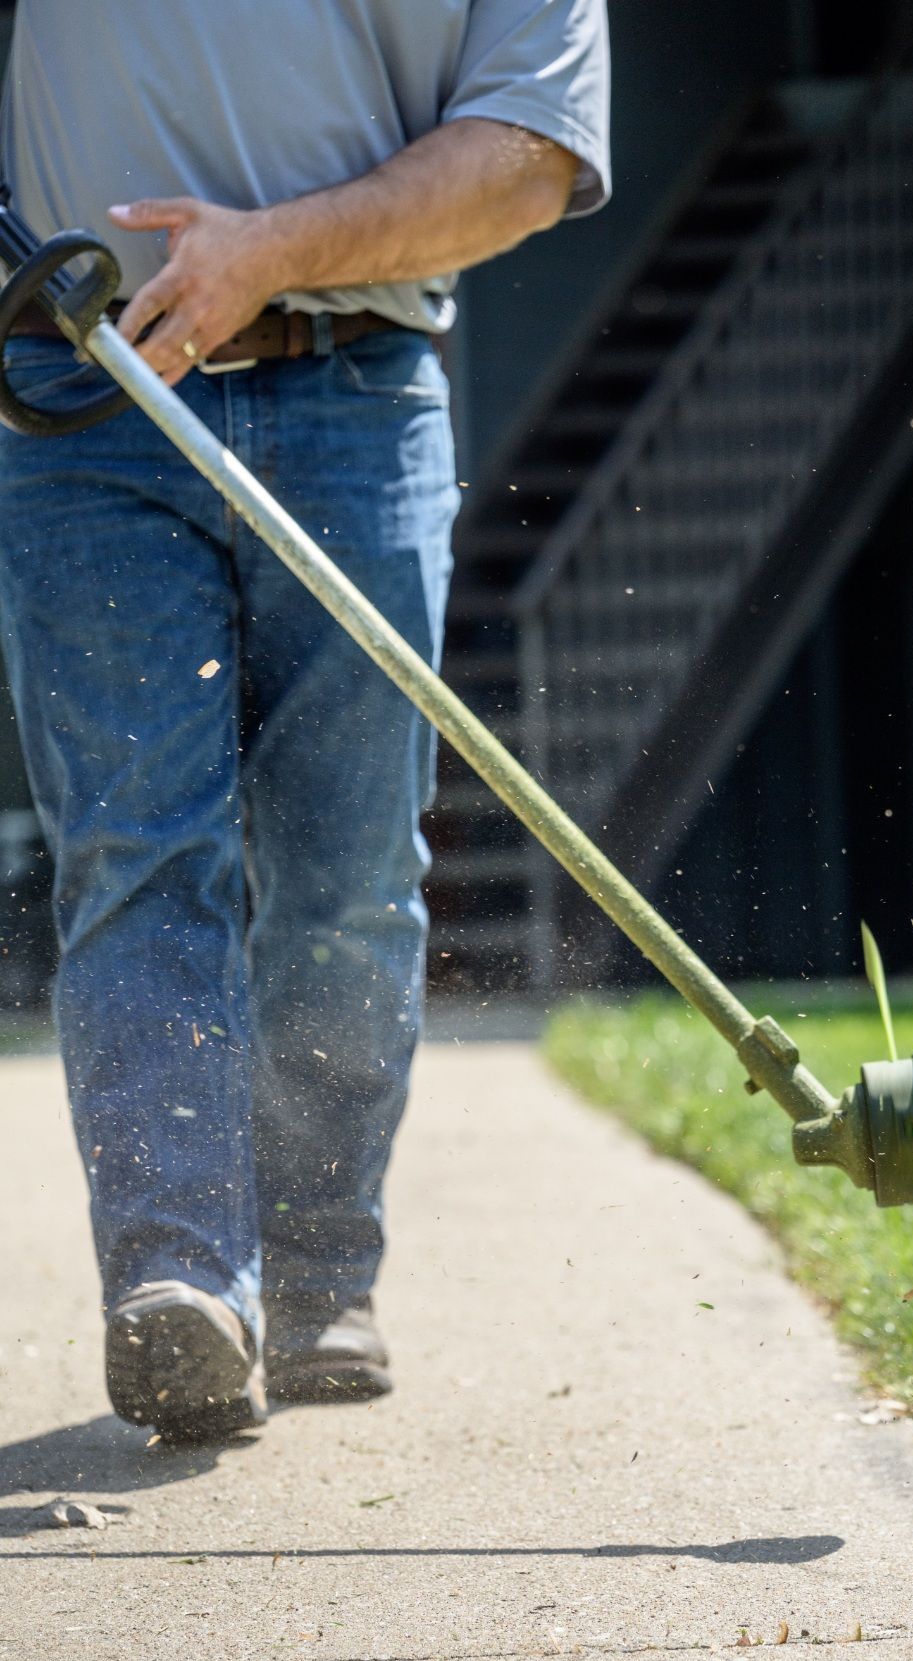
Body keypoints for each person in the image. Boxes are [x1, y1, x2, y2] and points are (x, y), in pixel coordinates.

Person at [0, 2, 610, 1440]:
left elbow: (529, 160)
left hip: (356, 387)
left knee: (347, 876)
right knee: (137, 852)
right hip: (81, 381)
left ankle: (326, 1272)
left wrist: (269, 250)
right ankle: (182, 1286)